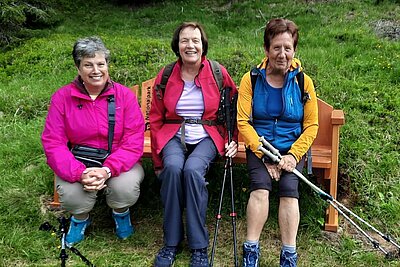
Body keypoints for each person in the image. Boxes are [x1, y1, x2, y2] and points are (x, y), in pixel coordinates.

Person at [41, 36, 145, 247]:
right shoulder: (62, 98)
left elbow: (133, 140)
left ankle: (121, 213)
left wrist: (107, 170)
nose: (96, 70)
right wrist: (79, 172)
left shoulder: (124, 96)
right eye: (88, 64)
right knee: (71, 195)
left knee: (125, 188)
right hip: (77, 160)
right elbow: (53, 143)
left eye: (101, 63)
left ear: (107, 65)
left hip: (117, 160)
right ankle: (79, 219)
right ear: (78, 68)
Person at [150, 22, 238, 267]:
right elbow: (156, 116)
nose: (190, 45)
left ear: (203, 44)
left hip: (208, 134)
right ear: (177, 46)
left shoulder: (218, 72)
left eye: (195, 40)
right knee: (173, 169)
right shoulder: (167, 74)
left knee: (192, 171)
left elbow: (234, 109)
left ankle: (199, 246)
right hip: (173, 133)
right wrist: (158, 159)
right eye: (184, 40)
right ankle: (171, 242)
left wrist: (234, 141)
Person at [237, 18, 318, 267]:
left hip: (293, 148)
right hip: (260, 147)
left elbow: (311, 125)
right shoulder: (250, 79)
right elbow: (243, 122)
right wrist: (265, 156)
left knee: (289, 193)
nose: (282, 54)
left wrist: (292, 156)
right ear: (266, 49)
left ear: (294, 50)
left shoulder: (303, 82)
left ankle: (289, 255)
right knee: (260, 189)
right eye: (276, 48)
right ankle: (251, 250)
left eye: (288, 48)